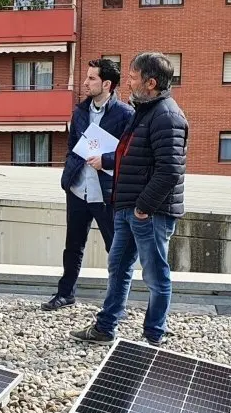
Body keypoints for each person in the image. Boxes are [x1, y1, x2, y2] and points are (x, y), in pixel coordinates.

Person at [70, 52, 188, 346]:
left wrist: (143, 209)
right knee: (118, 268)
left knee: (155, 276)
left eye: (134, 78)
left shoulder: (167, 116)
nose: (129, 83)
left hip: (149, 213)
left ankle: (153, 336)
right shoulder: (145, 111)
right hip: (128, 208)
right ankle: (105, 327)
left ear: (150, 82)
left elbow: (170, 171)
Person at [43, 58, 133, 311]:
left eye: (92, 78)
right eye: (87, 77)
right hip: (77, 188)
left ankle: (116, 306)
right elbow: (72, 146)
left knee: (115, 250)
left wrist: (104, 161)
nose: (85, 82)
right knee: (73, 245)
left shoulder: (126, 114)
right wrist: (69, 171)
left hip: (105, 193)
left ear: (107, 84)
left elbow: (130, 155)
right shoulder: (80, 111)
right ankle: (65, 294)